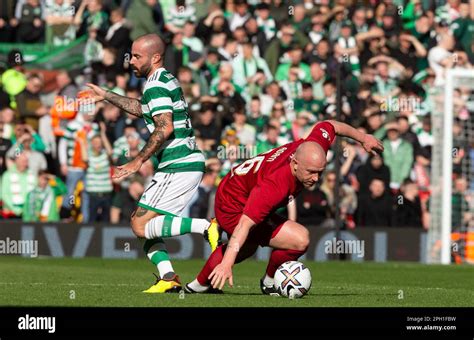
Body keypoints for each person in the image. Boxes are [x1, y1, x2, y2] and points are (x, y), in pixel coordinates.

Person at [85, 33, 220, 293]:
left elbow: (165, 127)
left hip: (178, 163)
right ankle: (167, 276)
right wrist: (108, 96)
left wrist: (138, 160)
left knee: (140, 225)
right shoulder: (163, 79)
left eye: (137, 56)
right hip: (183, 163)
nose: (131, 61)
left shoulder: (155, 84)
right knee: (143, 223)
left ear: (155, 57)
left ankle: (206, 226)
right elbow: (142, 109)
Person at [184, 120, 383, 294]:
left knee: (250, 245)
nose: (316, 178)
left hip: (243, 188)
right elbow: (243, 225)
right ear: (295, 163)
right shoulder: (275, 185)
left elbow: (330, 125)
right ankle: (210, 283)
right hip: (232, 203)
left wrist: (363, 137)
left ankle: (201, 285)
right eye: (311, 172)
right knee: (294, 240)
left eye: (320, 172)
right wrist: (227, 264)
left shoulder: (313, 146)